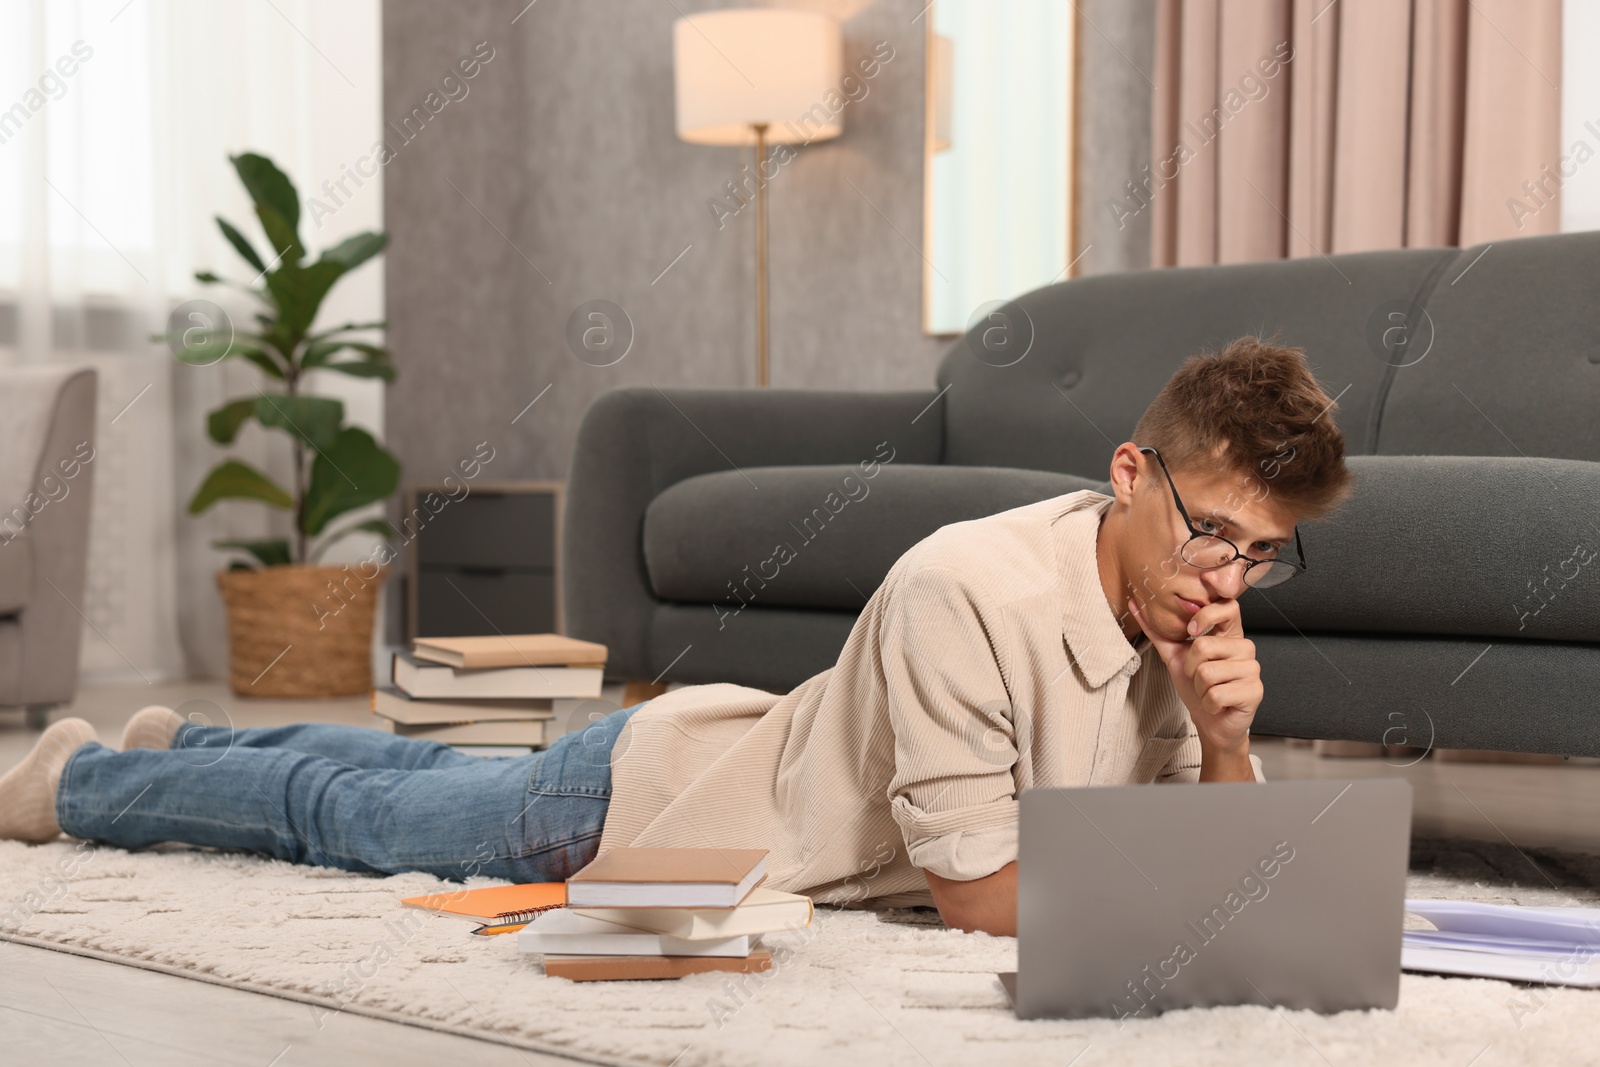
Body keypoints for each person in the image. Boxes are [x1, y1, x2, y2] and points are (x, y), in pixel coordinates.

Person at [0, 337, 1352, 936]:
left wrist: (1227, 737)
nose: (1227, 573)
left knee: (407, 777)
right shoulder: (973, 592)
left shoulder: (1183, 607)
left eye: (1262, 549)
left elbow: (1202, 852)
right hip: (654, 815)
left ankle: (182, 741)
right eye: (1210, 528)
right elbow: (981, 899)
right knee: (348, 812)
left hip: (718, 747)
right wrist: (1181, 872)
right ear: (1129, 472)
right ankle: (80, 782)